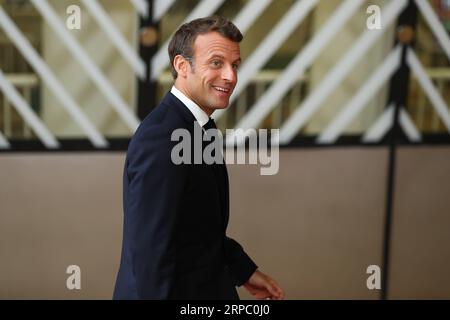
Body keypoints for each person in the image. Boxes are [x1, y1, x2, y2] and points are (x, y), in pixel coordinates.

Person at [113, 16, 284, 300]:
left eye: (235, 65)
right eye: (216, 63)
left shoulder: (197, 126)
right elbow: (152, 251)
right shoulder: (162, 137)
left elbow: (196, 228)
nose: (230, 76)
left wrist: (243, 270)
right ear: (182, 66)